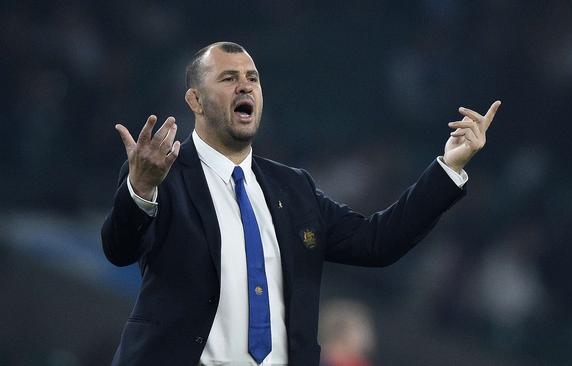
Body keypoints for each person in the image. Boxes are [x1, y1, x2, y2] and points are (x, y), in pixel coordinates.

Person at [101, 41, 501, 366]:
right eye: (228, 78)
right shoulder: (161, 175)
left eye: (252, 78)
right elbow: (119, 249)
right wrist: (141, 187)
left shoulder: (293, 189)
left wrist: (448, 167)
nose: (245, 87)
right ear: (195, 100)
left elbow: (379, 242)